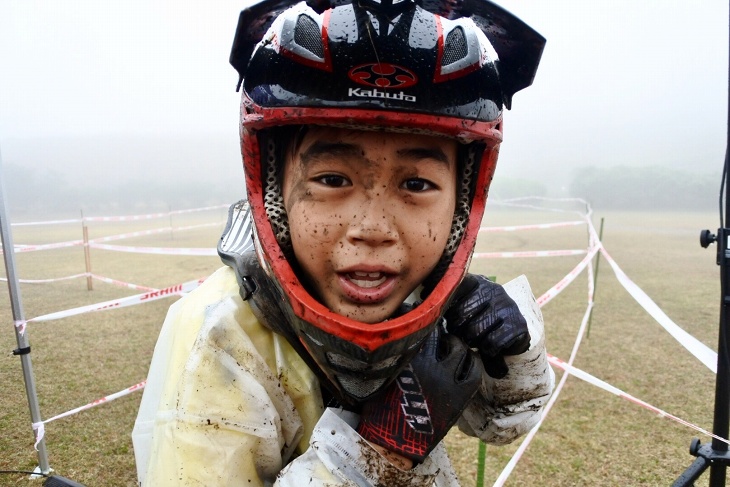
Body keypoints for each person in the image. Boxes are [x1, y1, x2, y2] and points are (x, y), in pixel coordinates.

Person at [132, 0, 555, 485]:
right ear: (274, 190)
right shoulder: (220, 341)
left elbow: (499, 423)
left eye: (416, 185)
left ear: (461, 207)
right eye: (333, 179)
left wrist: (513, 357)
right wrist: (378, 452)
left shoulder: (419, 294)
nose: (373, 228)